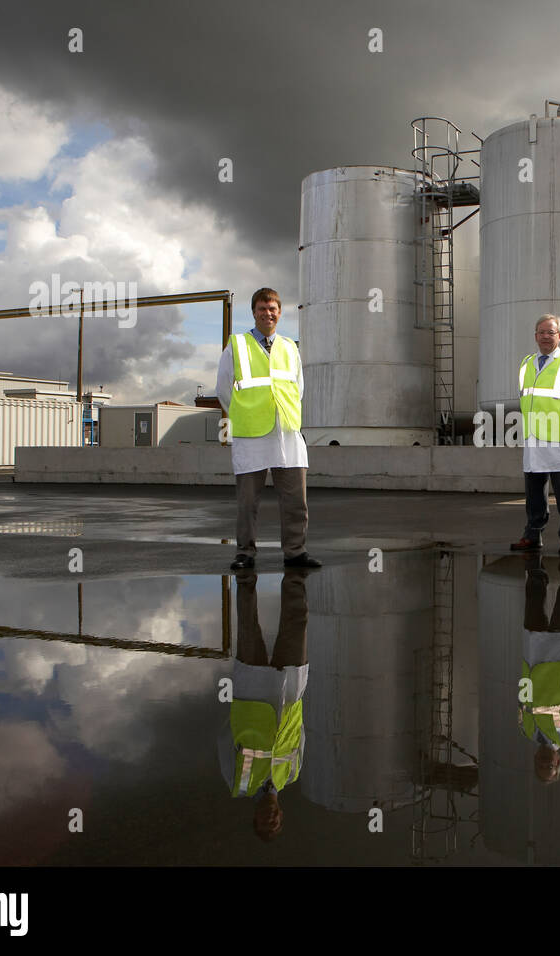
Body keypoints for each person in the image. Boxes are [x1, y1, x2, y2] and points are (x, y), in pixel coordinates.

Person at [216, 288, 319, 570]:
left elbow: (298, 389)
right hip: (251, 434)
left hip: (286, 431)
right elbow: (223, 389)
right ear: (254, 312)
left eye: (272, 308)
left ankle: (296, 551)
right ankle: (245, 553)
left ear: (279, 313)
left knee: (296, 499)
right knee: (248, 501)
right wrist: (244, 412)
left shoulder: (289, 347)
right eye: (262, 308)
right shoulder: (236, 345)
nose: (268, 313)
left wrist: (283, 413)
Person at [217, 569, 310, 841]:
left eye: (265, 823)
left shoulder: (237, 782)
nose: (271, 818)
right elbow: (301, 735)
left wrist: (243, 712)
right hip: (290, 693)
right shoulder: (291, 774)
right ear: (281, 816)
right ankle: (295, 568)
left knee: (248, 625)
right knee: (298, 623)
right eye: (276, 823)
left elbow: (225, 739)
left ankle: (246, 568)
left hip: (252, 695)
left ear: (255, 818)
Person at [509, 314, 560, 555]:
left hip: (557, 439)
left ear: (559, 336)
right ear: (535, 336)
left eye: (551, 332)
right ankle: (533, 535)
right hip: (533, 439)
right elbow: (525, 397)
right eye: (541, 332)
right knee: (534, 493)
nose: (546, 336)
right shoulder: (526, 363)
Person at [518, 555, 560, 783]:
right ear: (558, 761)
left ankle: (534, 555)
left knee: (533, 600)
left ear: (535, 759)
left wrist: (527, 674)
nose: (545, 761)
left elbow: (523, 700)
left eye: (541, 764)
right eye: (550, 765)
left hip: (533, 658)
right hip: (558, 661)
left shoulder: (526, 731)